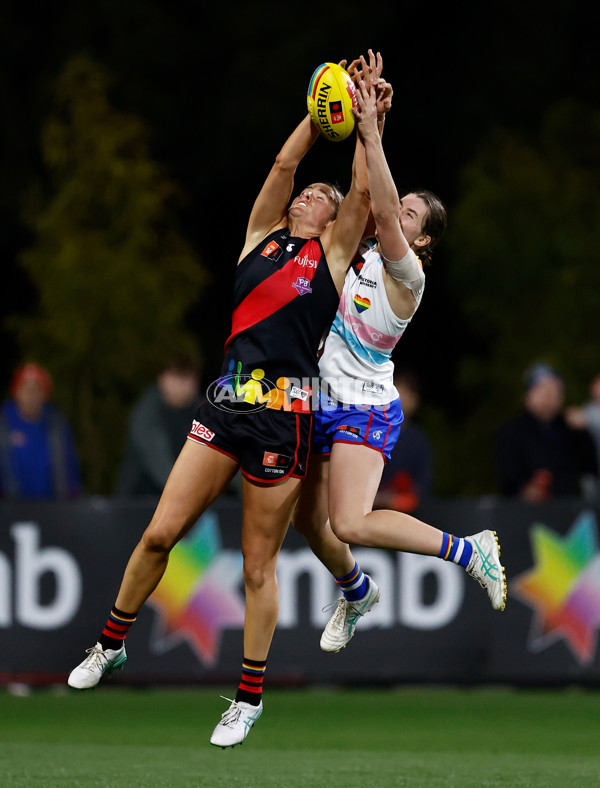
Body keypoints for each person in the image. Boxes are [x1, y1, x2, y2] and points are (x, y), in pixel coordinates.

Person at [67, 51, 383, 749]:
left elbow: (363, 200)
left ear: (334, 224)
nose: (306, 197)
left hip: (285, 416)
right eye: (306, 195)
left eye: (318, 199)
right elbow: (279, 169)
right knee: (158, 533)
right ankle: (110, 644)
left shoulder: (328, 260)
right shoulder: (261, 240)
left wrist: (365, 123)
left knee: (256, 566)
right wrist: (313, 115)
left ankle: (247, 698)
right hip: (224, 405)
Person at [293, 68, 506, 657]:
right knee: (309, 523)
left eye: (413, 216)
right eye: (403, 207)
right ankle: (356, 590)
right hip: (321, 399)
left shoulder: (406, 278)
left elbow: (381, 211)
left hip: (363, 406)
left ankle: (470, 550)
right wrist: (371, 117)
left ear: (424, 243)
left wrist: (371, 130)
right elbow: (367, 196)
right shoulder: (360, 249)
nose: (399, 214)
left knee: (351, 524)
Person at [496, 361, 598, 502]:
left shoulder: (571, 429)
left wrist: (583, 432)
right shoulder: (512, 431)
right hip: (525, 513)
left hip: (570, 511)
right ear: (527, 395)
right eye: (542, 388)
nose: (549, 395)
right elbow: (507, 478)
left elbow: (590, 469)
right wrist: (525, 490)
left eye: (555, 389)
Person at [116, 354, 203, 497]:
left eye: (186, 378)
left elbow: (222, 454)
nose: (180, 386)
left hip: (185, 499)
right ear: (161, 379)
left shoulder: (203, 411)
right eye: (175, 377)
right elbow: (160, 464)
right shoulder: (147, 411)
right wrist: (195, 494)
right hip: (138, 503)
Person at [0, 362, 81, 499]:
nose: (31, 395)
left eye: (37, 389)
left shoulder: (57, 424)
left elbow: (70, 469)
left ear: (45, 394)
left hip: (52, 507)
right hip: (10, 508)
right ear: (16, 392)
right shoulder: (3, 423)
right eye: (25, 388)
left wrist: (73, 501)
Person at [373, 369, 433, 512]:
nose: (400, 400)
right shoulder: (371, 431)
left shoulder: (417, 440)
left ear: (415, 401)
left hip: (405, 512)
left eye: (406, 395)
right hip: (366, 506)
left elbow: (422, 486)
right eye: (395, 393)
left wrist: (399, 499)